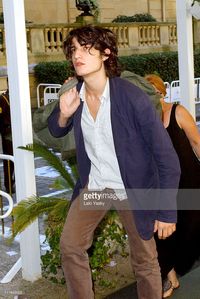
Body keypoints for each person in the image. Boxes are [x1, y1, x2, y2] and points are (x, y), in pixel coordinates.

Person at [48, 25, 180, 299]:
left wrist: (166, 211)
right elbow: (56, 128)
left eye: (86, 48)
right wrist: (63, 115)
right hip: (96, 188)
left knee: (144, 261)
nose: (77, 55)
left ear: (106, 53)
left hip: (132, 189)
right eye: (73, 50)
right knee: (71, 245)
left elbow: (167, 158)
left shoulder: (132, 98)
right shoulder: (76, 96)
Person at [145, 74, 200, 298]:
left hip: (189, 182)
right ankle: (170, 275)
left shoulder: (178, 112)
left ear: (162, 92)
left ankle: (177, 268)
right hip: (163, 187)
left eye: (155, 92)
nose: (153, 97)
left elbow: (196, 142)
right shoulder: (145, 121)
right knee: (162, 234)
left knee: (191, 229)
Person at [0, 82, 15, 194]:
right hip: (8, 131)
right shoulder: (4, 98)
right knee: (9, 160)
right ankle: (9, 185)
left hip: (17, 130)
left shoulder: (18, 96)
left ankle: (12, 183)